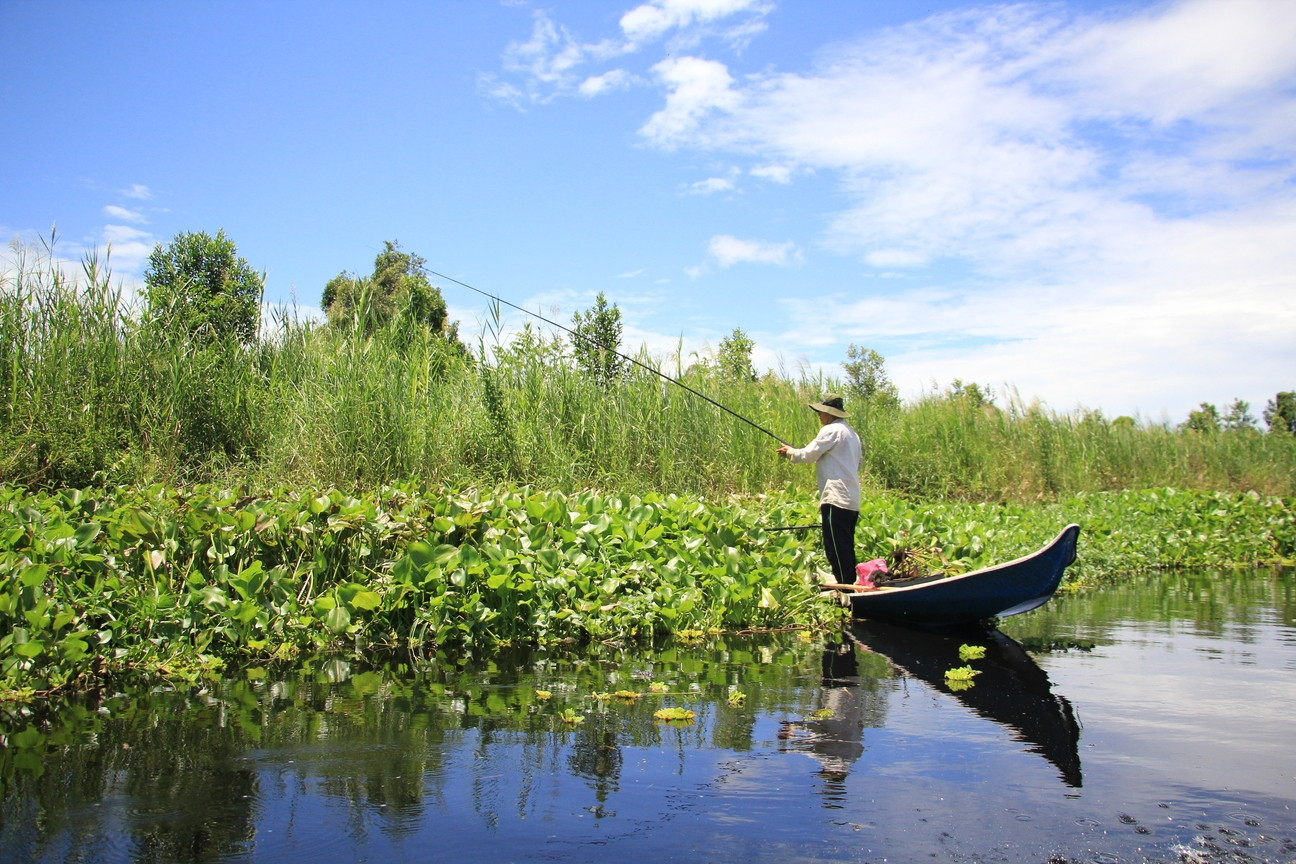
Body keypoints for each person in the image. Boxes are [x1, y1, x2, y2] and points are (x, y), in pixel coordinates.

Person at [777, 393, 862, 583]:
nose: (819, 415)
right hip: (852, 500)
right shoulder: (852, 434)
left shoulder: (831, 430)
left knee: (835, 547)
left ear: (829, 413)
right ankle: (847, 581)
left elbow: (807, 455)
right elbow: (858, 464)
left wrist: (789, 452)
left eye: (821, 412)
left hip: (835, 498)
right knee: (845, 545)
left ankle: (846, 588)